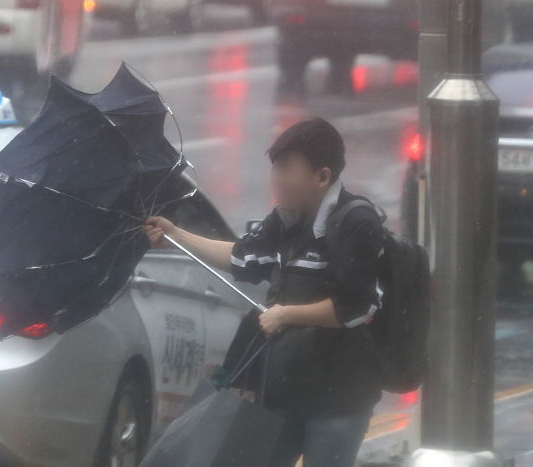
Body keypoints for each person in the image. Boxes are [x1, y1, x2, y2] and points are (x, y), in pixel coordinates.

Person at [143, 117, 384, 467]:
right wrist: (177, 235)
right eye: (275, 169)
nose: (277, 180)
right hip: (282, 393)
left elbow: (358, 307)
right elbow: (242, 257)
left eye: (287, 169)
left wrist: (287, 314)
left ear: (322, 177)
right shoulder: (287, 217)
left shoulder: (357, 223)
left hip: (339, 401)